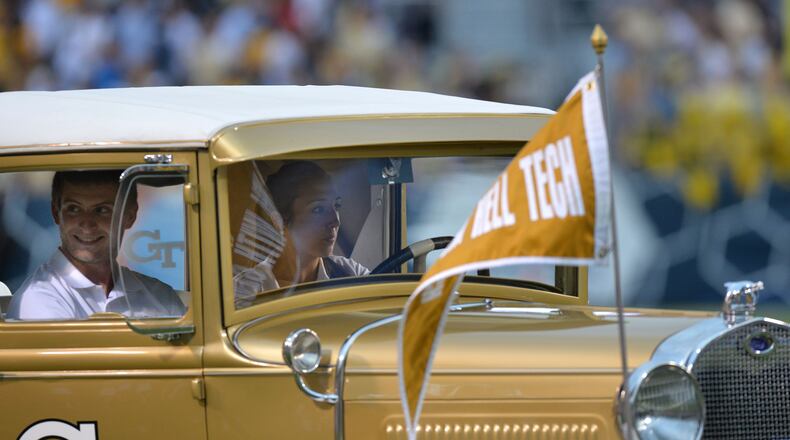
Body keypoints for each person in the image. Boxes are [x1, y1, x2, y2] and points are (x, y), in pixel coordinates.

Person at [7, 170, 186, 320]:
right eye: (74, 209)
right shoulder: (38, 300)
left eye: (102, 210)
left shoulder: (160, 296)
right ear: (56, 213)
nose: (87, 223)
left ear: (130, 216)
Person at [232, 161, 368, 304]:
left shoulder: (351, 274)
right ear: (278, 220)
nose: (335, 221)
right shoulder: (245, 292)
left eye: (336, 205)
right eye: (318, 209)